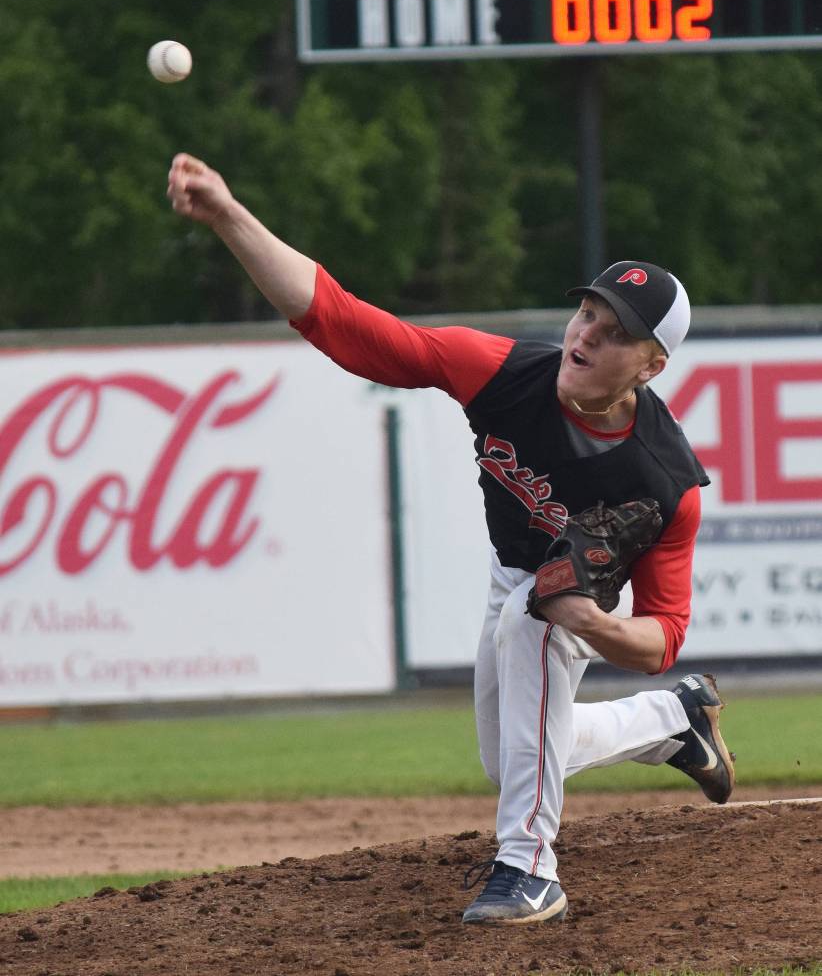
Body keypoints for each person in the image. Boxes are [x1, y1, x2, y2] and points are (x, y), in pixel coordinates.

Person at [166, 153, 736, 926]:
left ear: (652, 364)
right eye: (588, 313)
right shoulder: (504, 373)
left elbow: (665, 631)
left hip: (565, 602)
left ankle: (531, 868)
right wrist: (230, 215)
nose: (588, 334)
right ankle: (673, 721)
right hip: (515, 574)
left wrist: (596, 624)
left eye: (617, 332)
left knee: (533, 622)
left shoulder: (663, 483)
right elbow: (346, 323)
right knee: (517, 760)